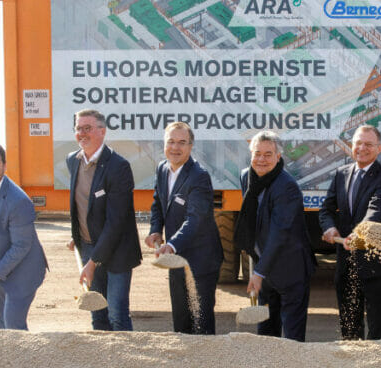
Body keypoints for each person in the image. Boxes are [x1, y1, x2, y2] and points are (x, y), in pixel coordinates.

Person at [234, 130, 316, 341]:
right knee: (266, 334)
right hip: (266, 266)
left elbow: (280, 234)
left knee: (291, 337)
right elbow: (253, 219)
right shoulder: (247, 176)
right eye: (257, 153)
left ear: (278, 157)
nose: (261, 159)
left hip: (291, 269)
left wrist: (259, 273)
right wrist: (259, 265)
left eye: (268, 154)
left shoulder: (286, 186)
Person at [66, 109, 142, 331]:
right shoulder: (73, 161)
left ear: (102, 131)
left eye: (87, 128)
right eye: (78, 128)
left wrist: (92, 263)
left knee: (116, 314)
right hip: (89, 247)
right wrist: (77, 235)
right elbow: (79, 204)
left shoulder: (118, 166)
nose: (82, 133)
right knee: (97, 314)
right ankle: (102, 362)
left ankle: (125, 362)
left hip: (117, 252)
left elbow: (116, 222)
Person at [319, 125, 381, 340]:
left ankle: (376, 367)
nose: (362, 148)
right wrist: (329, 227)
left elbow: (377, 209)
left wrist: (359, 232)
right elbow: (327, 208)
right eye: (358, 143)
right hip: (346, 262)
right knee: (349, 322)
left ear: (379, 148)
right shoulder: (341, 174)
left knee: (375, 324)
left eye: (368, 144)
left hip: (374, 262)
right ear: (351, 146)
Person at [145, 122, 223, 334]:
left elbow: (195, 219)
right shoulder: (163, 169)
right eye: (170, 142)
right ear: (164, 144)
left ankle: (205, 362)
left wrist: (171, 245)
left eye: (182, 142)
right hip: (177, 259)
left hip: (201, 259)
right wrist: (155, 229)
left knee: (201, 320)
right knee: (181, 318)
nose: (175, 148)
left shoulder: (199, 176)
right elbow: (158, 203)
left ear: (191, 147)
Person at [0, 142, 48, 330]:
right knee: (2, 321)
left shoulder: (18, 201)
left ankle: (23, 359)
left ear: (5, 166)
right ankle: (7, 358)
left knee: (13, 323)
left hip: (24, 270)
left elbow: (21, 245)